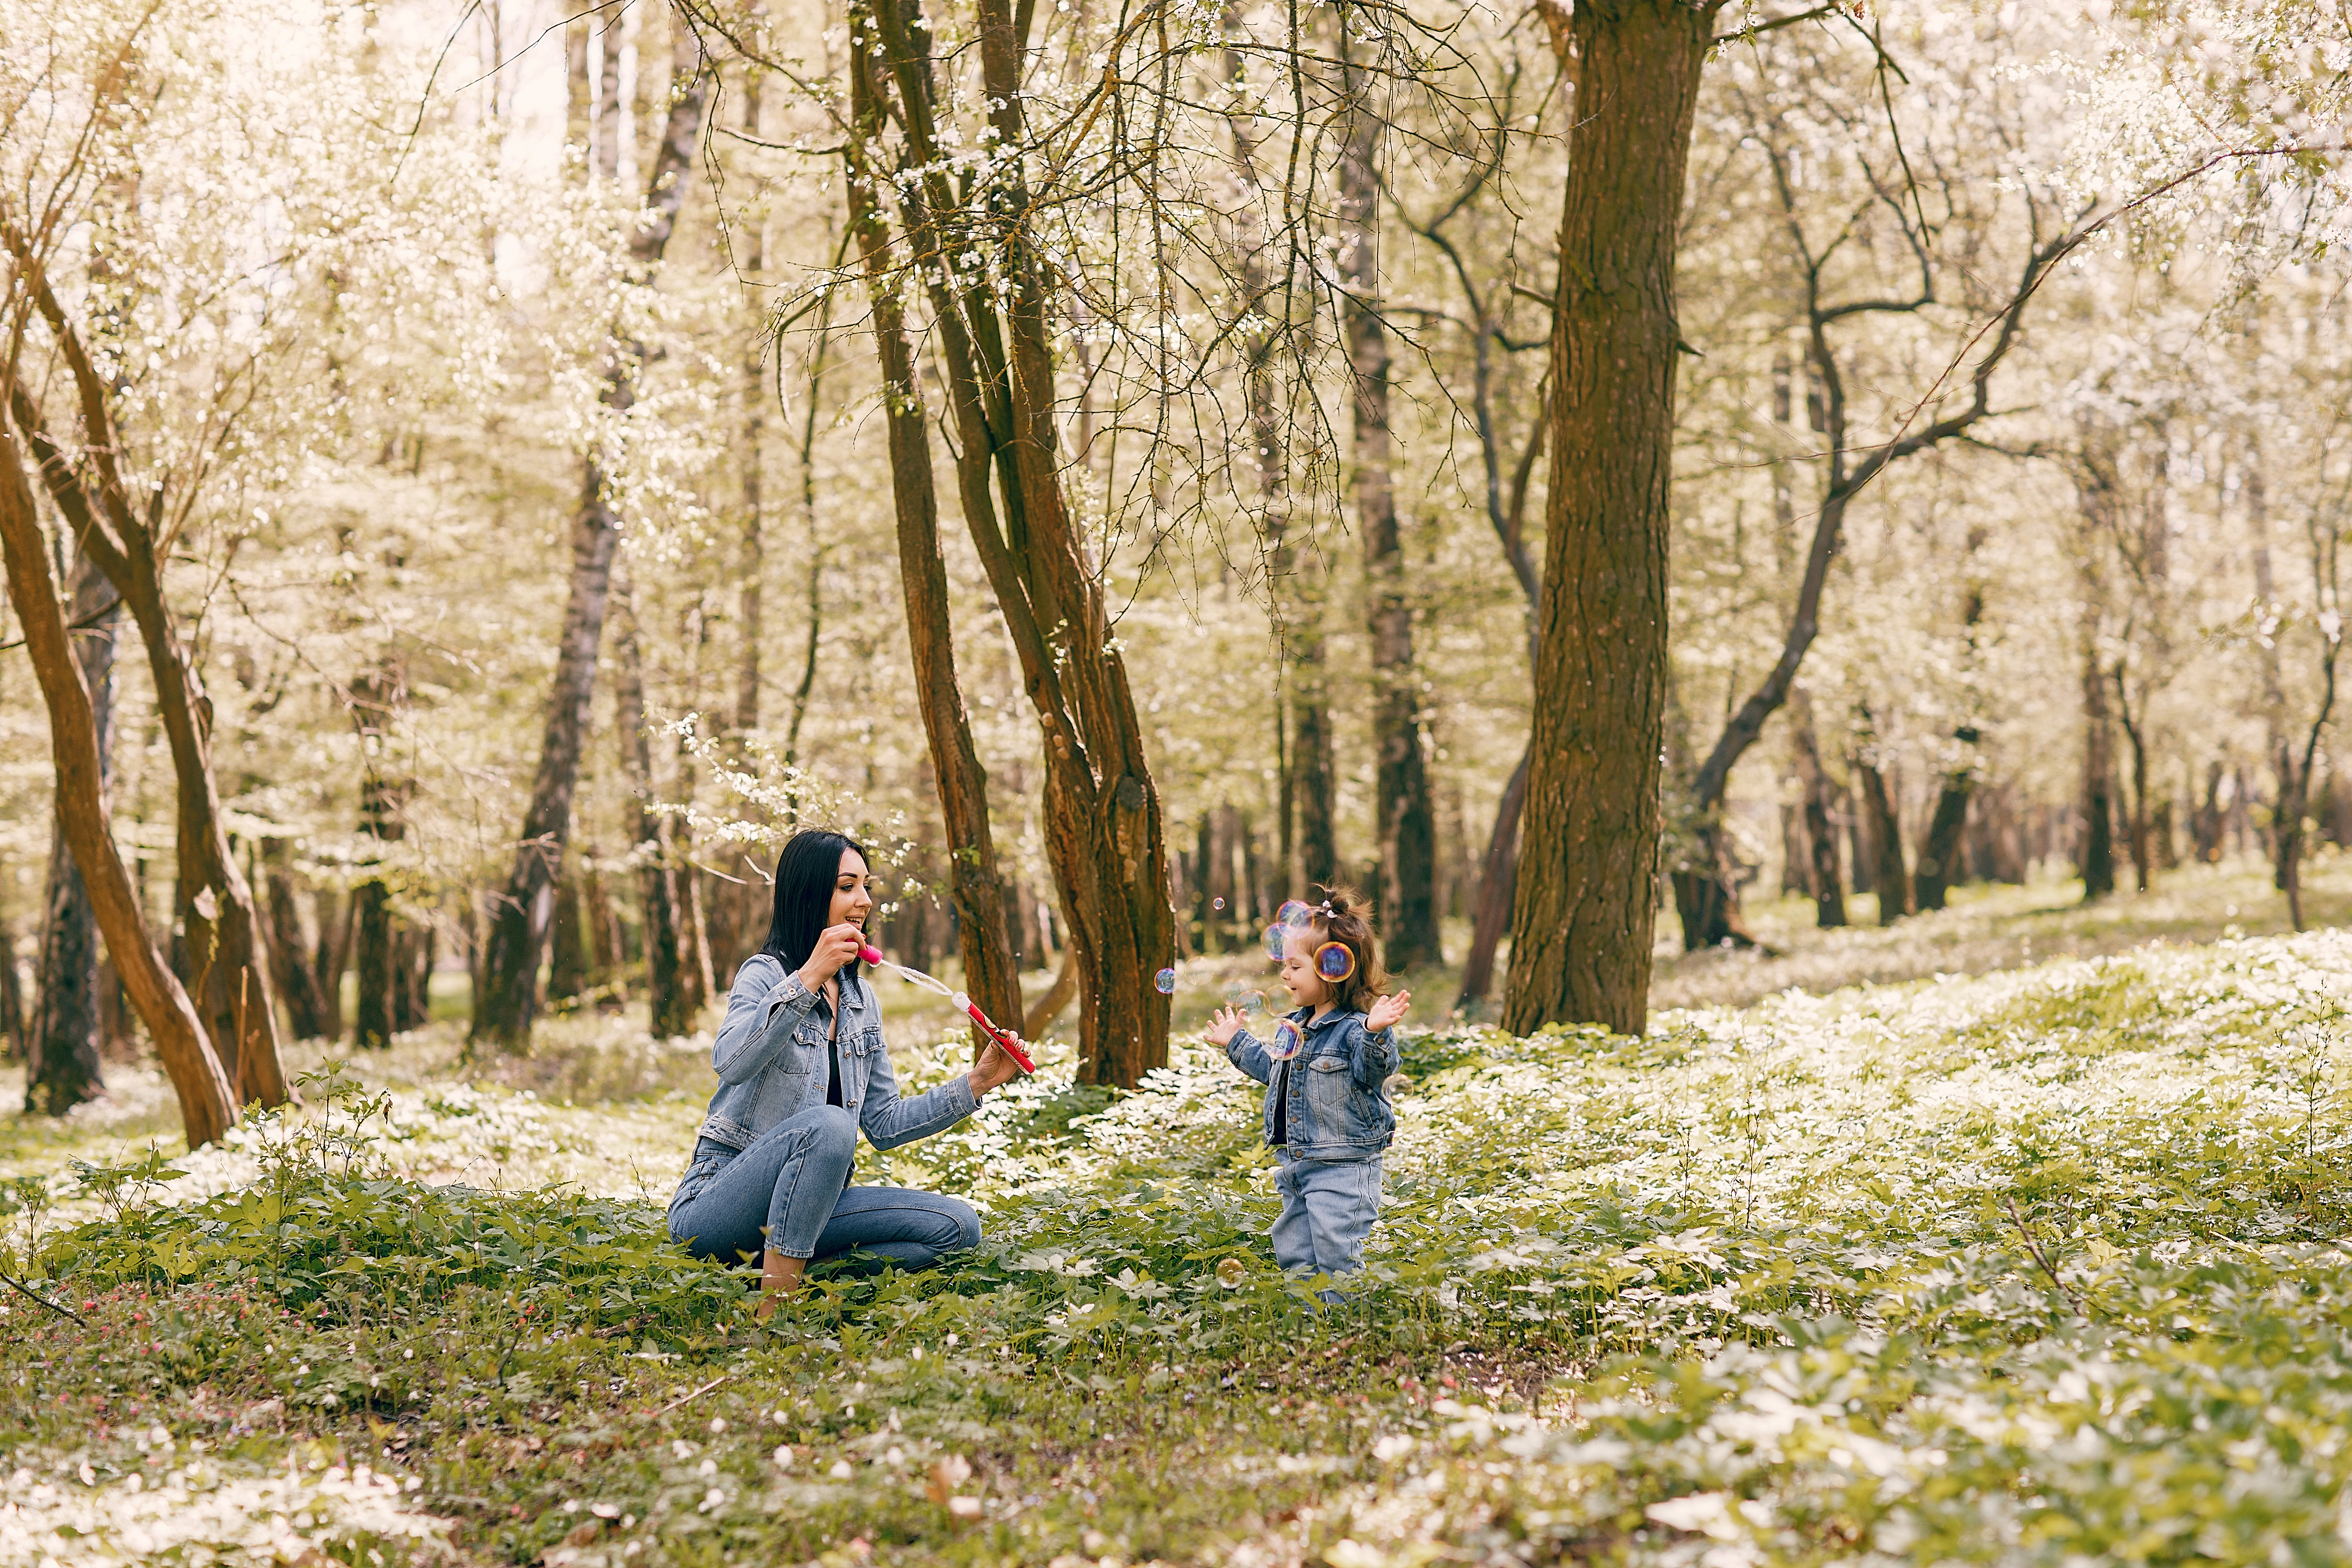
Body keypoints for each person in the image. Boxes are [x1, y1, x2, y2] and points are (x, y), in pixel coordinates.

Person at [667, 829, 1026, 1319]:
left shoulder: (861, 1002)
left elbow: (884, 1123)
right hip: (716, 1207)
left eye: (867, 886)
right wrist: (808, 979)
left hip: (809, 1207)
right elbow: (730, 1061)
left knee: (958, 1227)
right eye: (847, 887)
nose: (865, 901)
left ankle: (783, 1271)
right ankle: (777, 1310)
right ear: (810, 893)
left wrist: (978, 1083)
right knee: (832, 1123)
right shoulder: (765, 975)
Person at [1204, 887, 1412, 1298]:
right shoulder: (1293, 1026)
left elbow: (1375, 1070)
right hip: (1296, 1163)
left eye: (1295, 967)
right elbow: (1274, 1070)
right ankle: (1308, 1322)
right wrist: (1237, 1043)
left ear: (1333, 967)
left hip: (1343, 1167)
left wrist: (1375, 1031)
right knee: (1296, 1250)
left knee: (1337, 1251)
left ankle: (1345, 1325)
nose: (1284, 975)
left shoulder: (1355, 1029)